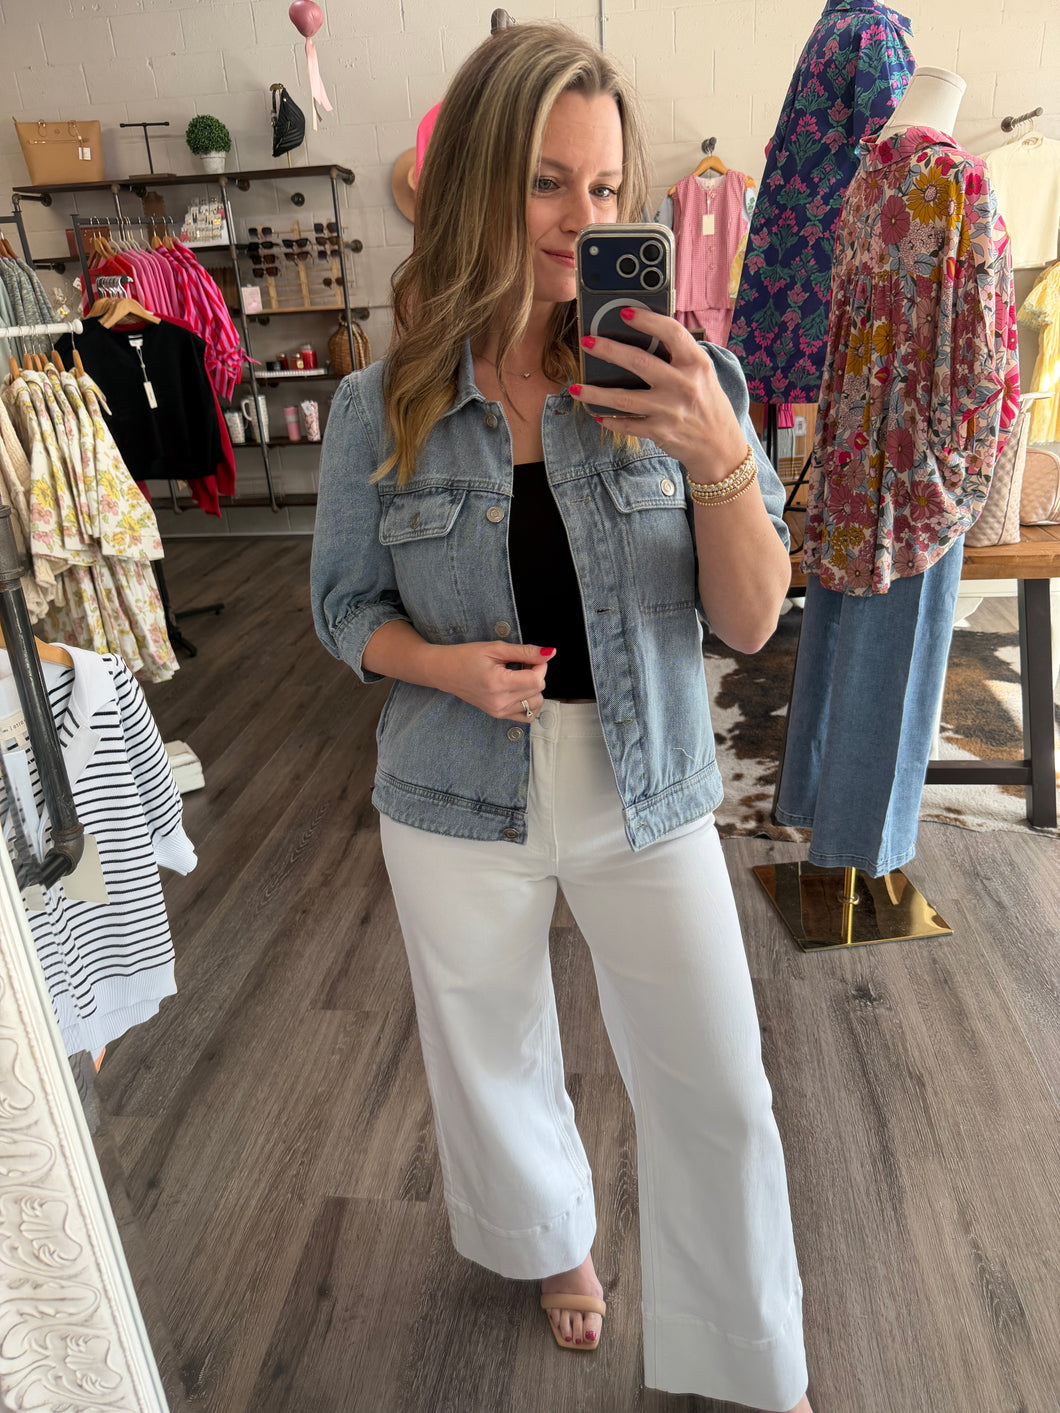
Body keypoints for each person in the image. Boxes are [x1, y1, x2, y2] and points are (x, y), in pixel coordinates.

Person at [311, 22, 812, 1413]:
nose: (579, 221)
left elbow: (752, 620)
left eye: (601, 189)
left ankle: (755, 1361)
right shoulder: (380, 405)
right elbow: (343, 609)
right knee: (491, 1052)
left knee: (719, 1087)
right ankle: (553, 1243)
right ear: (477, 176)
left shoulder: (681, 379)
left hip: (648, 783)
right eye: (546, 182)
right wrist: (443, 666)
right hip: (453, 784)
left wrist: (717, 454)